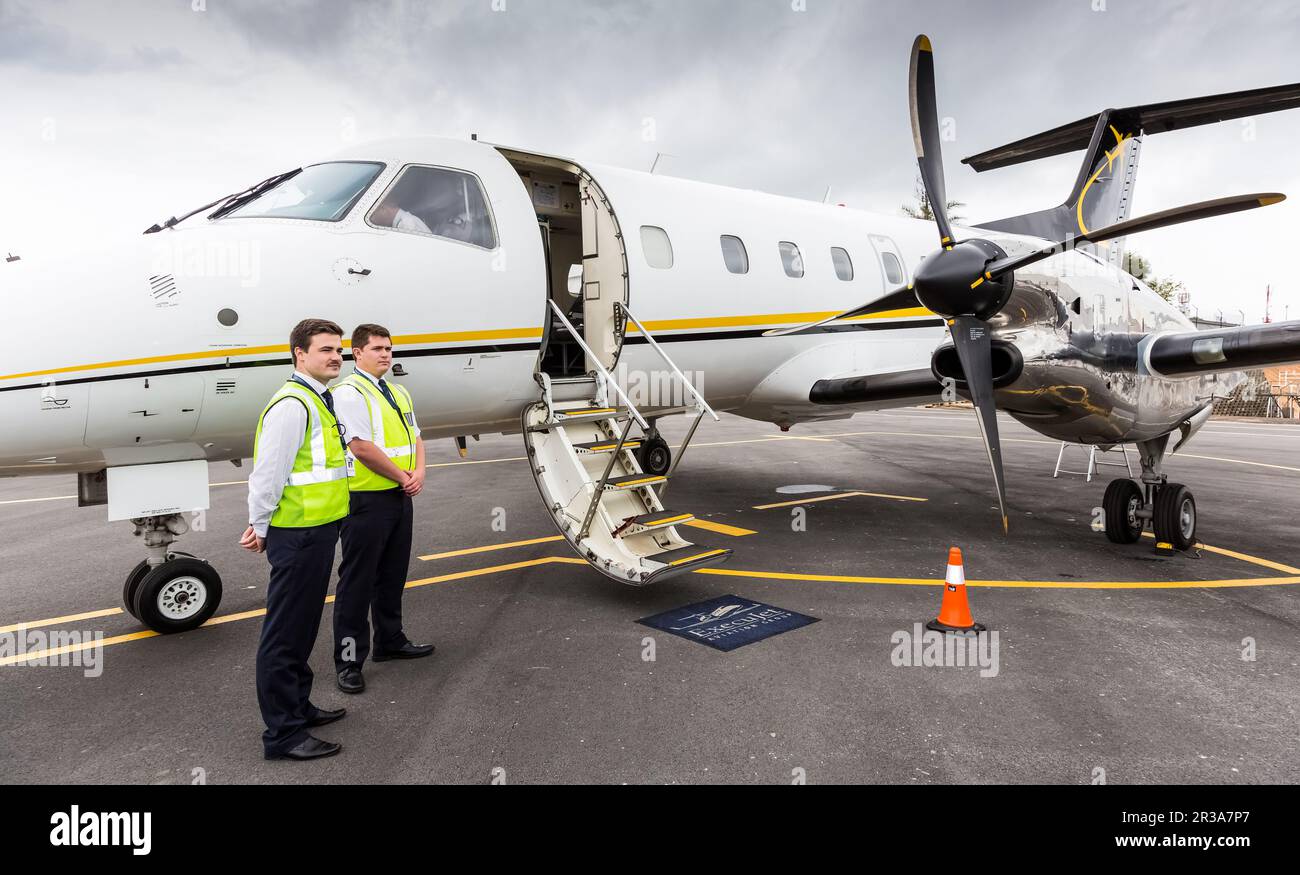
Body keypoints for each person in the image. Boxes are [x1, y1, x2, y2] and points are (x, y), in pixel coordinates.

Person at [240, 318, 350, 761]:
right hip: (298, 532)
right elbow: (268, 472)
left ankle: (299, 707)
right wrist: (260, 524)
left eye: (338, 349)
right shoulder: (293, 404)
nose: (336, 356)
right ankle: (283, 735)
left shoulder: (317, 399)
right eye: (325, 349)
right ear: (299, 354)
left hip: (318, 528)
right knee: (285, 634)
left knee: (303, 628)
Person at [332, 323, 434, 695]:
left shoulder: (398, 391)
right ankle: (348, 661)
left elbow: (416, 436)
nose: (386, 354)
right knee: (357, 583)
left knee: (392, 575)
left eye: (389, 348)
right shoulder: (348, 392)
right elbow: (360, 447)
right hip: (366, 500)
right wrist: (402, 477)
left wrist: (419, 472)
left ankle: (390, 641)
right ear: (357, 353)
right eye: (377, 348)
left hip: (397, 496)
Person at [369, 198, 433, 235]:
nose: (373, 220)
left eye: (373, 215)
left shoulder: (405, 225)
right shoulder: (406, 220)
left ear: (383, 209)